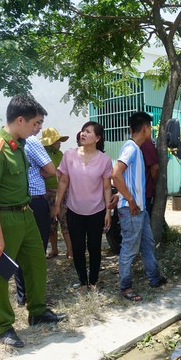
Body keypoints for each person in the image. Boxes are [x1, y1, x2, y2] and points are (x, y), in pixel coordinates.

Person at [0, 94, 65, 348]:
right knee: (0, 274)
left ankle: (37, 312)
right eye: (34, 123)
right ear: (20, 120)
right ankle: (3, 327)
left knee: (36, 263)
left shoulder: (20, 146)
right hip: (3, 217)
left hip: (26, 213)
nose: (36, 129)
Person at [112, 112, 166, 302]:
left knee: (147, 244)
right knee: (130, 248)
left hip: (139, 209)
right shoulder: (132, 148)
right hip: (131, 209)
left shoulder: (137, 148)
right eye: (150, 128)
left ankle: (154, 277)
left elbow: (124, 179)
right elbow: (116, 174)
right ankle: (125, 287)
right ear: (145, 129)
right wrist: (130, 199)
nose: (150, 131)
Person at [54, 122, 112, 292]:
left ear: (98, 138)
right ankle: (83, 282)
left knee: (94, 247)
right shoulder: (69, 155)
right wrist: (57, 204)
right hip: (74, 210)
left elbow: (107, 187)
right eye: (83, 131)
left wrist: (108, 210)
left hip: (97, 211)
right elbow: (63, 181)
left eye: (88, 132)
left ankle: (93, 282)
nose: (83, 134)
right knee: (77, 248)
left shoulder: (104, 160)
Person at [12, 119, 56, 307]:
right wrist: (41, 170)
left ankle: (23, 296)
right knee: (36, 251)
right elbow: (51, 169)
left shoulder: (12, 142)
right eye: (37, 123)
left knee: (20, 250)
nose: (38, 128)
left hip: (18, 202)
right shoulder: (31, 142)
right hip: (35, 201)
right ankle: (35, 296)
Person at [40, 127, 72, 260]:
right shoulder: (42, 154)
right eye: (57, 140)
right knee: (51, 223)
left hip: (63, 191)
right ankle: (54, 249)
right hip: (48, 192)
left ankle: (70, 251)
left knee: (65, 221)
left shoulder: (60, 154)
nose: (59, 143)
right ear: (50, 142)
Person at [140, 139, 159, 216]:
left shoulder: (145, 143)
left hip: (145, 191)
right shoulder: (145, 143)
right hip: (144, 191)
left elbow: (155, 168)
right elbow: (155, 168)